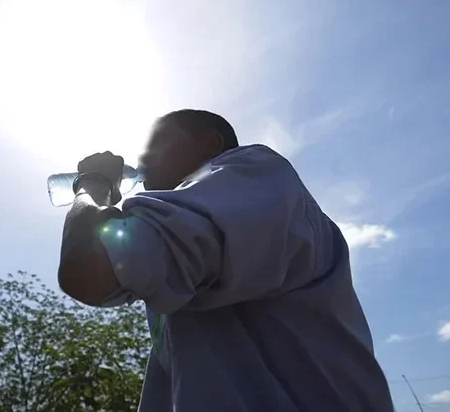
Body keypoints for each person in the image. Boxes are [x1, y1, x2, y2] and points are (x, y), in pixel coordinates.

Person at [57, 109, 394, 411]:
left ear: (211, 143)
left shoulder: (255, 173)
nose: (143, 164)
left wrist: (92, 184)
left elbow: (89, 269)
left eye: (156, 147)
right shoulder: (191, 249)